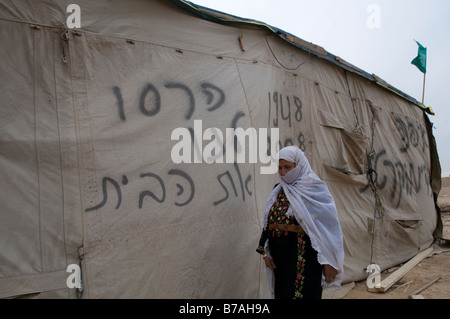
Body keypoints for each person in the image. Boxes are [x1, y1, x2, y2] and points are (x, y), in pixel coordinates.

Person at [256, 145, 344, 299]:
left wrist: (329, 261)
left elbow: (327, 229)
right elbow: (267, 223)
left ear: (299, 165)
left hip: (306, 261)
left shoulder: (314, 190)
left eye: (288, 167)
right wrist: (265, 253)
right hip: (280, 262)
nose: (283, 173)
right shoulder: (278, 190)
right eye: (280, 168)